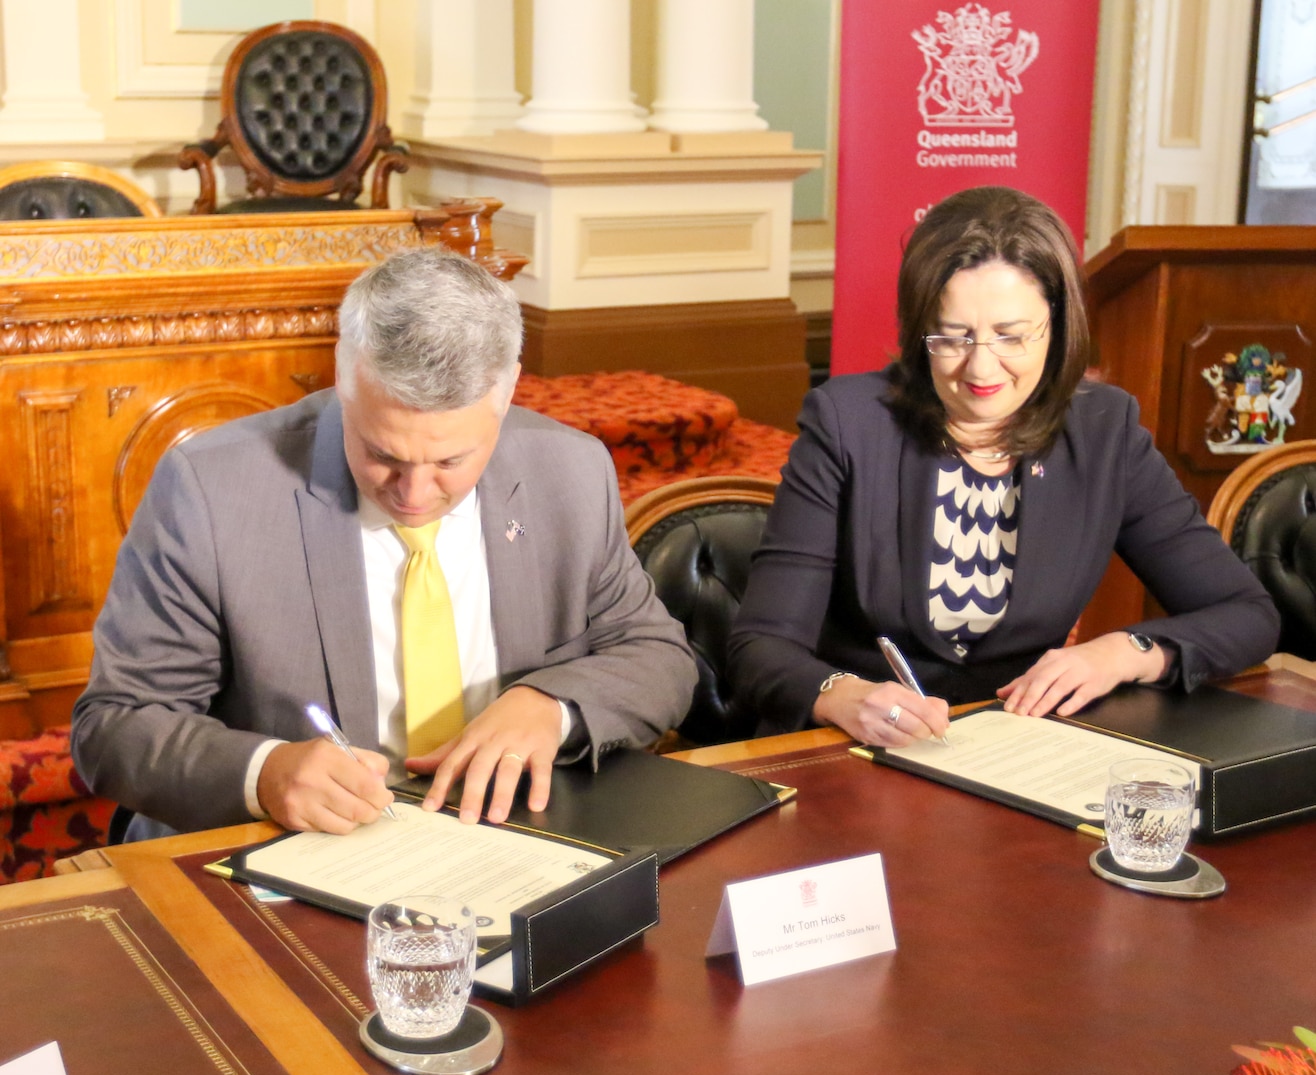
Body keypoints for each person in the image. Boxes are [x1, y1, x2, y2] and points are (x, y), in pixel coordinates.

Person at [72, 248, 696, 839]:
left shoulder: (571, 471)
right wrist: (264, 773)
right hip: (286, 851)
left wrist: (551, 706)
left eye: (451, 460)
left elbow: (658, 657)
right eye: (382, 455)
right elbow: (115, 725)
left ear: (506, 393)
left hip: (507, 838)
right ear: (343, 373)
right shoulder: (213, 489)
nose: (414, 493)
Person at [727, 186, 1279, 745]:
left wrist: (1124, 652)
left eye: (1011, 336)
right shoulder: (848, 425)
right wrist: (841, 695)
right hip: (858, 752)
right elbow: (760, 648)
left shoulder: (1103, 432)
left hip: (1021, 751)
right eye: (953, 337)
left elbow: (1247, 613)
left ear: (1058, 328)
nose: (981, 365)